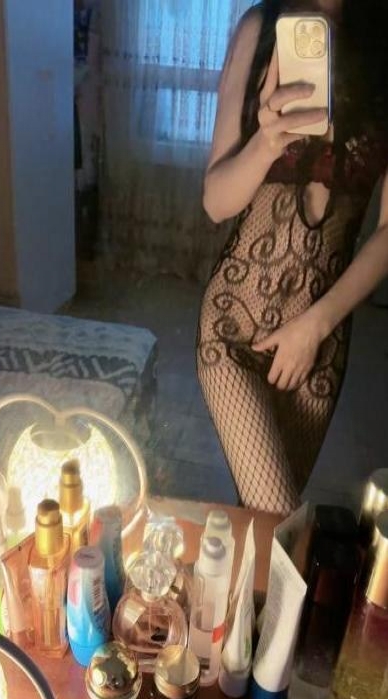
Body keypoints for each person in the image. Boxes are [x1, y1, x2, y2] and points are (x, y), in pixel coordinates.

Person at [196, 0, 388, 515]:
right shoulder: (261, 27)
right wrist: (265, 143)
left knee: (262, 525)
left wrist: (315, 326)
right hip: (234, 327)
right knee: (278, 516)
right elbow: (216, 201)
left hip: (318, 346)